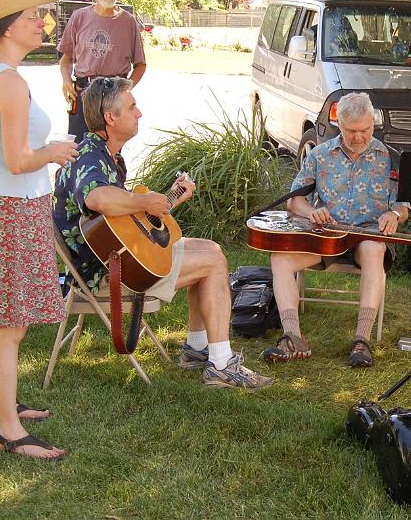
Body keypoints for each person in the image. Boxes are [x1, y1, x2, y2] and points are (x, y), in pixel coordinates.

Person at [52, 77, 273, 390]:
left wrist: (167, 201)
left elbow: (120, 224)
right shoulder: (89, 157)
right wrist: (145, 200)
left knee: (210, 249)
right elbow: (97, 199)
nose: (139, 113)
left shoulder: (107, 155)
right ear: (110, 118)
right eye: (132, 107)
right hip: (106, 272)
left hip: (114, 256)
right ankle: (222, 365)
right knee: (211, 261)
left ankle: (197, 349)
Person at [0, 0, 78, 460]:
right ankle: (9, 430)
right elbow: (15, 159)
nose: (42, 22)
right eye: (32, 16)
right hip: (12, 209)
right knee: (10, 325)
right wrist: (51, 151)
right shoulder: (6, 80)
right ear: (6, 27)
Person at [264, 92, 409, 367]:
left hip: (367, 236)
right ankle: (292, 336)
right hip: (326, 238)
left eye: (364, 130)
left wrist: (393, 214)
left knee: (373, 248)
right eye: (351, 130)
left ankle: (361, 340)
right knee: (280, 258)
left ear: (373, 124)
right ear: (339, 126)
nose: (358, 137)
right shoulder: (320, 155)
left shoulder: (389, 157)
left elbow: (404, 204)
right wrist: (311, 211)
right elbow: (295, 201)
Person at [58, 0, 146, 139]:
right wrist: (66, 80)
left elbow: (140, 65)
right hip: (84, 92)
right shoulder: (79, 17)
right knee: (78, 148)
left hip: (114, 92)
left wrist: (124, 90)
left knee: (111, 149)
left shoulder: (128, 21)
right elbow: (66, 59)